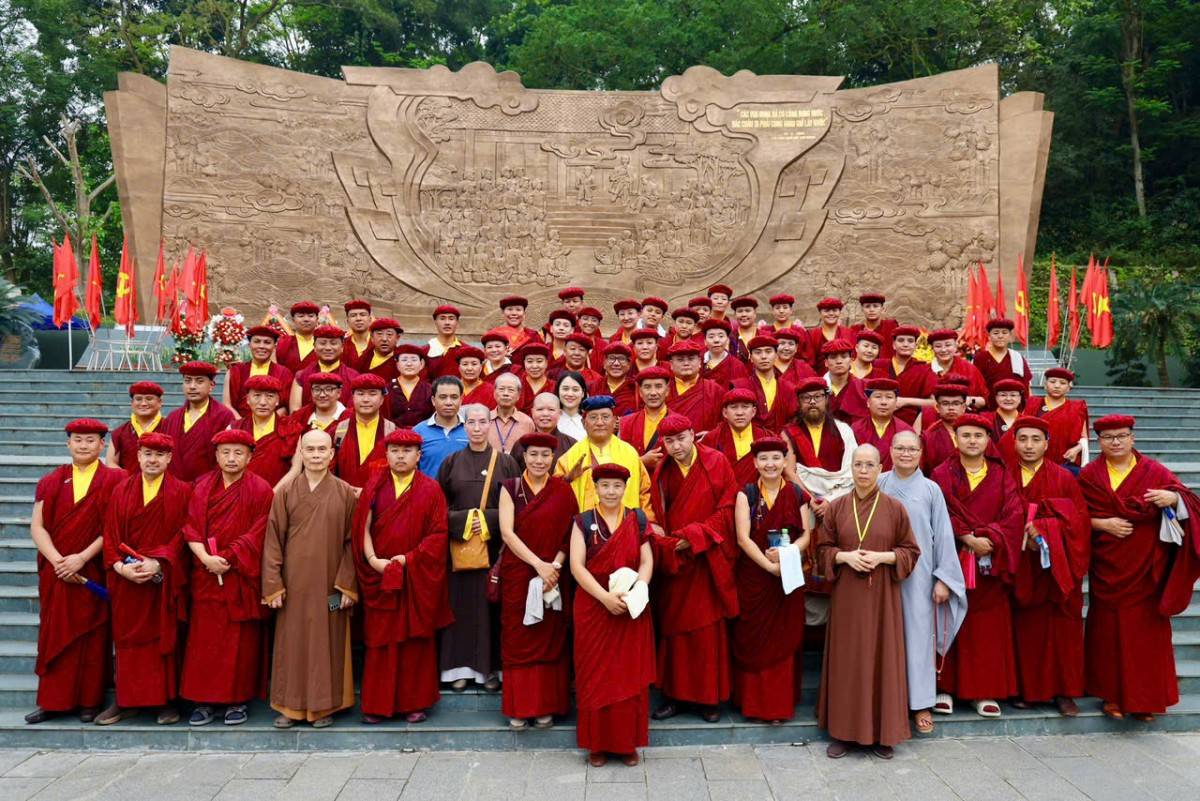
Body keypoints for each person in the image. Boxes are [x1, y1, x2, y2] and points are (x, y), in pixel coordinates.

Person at [1079, 414, 1200, 721]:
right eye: (1108, 437)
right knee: (1107, 631)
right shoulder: (1090, 475)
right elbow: (1075, 516)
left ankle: (1146, 698)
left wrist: (1172, 497)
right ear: (1098, 442)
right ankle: (1111, 696)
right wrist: (1101, 522)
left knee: (1145, 634)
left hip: (1147, 565)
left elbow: (1188, 500)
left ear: (1132, 438)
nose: (1116, 442)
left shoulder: (1154, 471)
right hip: (1107, 565)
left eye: (1121, 436)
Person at [816, 444, 920, 759]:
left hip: (882, 598)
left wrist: (884, 556)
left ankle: (882, 734)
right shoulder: (836, 507)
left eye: (869, 465)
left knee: (881, 659)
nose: (863, 471)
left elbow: (911, 551)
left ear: (879, 468)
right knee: (847, 662)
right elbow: (822, 552)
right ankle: (845, 733)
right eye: (858, 465)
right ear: (851, 467)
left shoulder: (894, 507)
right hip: (848, 596)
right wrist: (845, 556)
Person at [25, 419, 124, 725]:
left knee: (92, 637)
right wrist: (58, 560)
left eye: (90, 440)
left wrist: (81, 558)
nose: (84, 445)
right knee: (53, 634)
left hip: (91, 569)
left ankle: (88, 702)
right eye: (78, 440)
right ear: (68, 443)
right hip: (57, 573)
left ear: (102, 445)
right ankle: (52, 701)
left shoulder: (113, 480)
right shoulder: (51, 480)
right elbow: (37, 526)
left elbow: (114, 528)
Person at [352, 428, 452, 724]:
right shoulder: (374, 485)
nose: (400, 456)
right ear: (387, 455)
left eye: (407, 451)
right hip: (380, 575)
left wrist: (408, 560)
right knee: (380, 641)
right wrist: (373, 561)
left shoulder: (430, 489)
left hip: (414, 576)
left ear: (419, 456)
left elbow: (438, 534)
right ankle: (376, 704)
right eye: (394, 450)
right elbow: (361, 529)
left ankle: (414, 703)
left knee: (414, 642)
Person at [262, 429, 359, 728]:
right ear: (301, 454)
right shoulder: (287, 492)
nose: (316, 455)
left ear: (332, 454)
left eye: (322, 450)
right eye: (310, 450)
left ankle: (323, 706)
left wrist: (346, 584)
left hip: (331, 589)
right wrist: (273, 585)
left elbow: (350, 543)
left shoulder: (345, 492)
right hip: (293, 586)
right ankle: (289, 707)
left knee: (328, 641)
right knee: (292, 642)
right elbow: (273, 541)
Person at [929, 414, 1023, 718]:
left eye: (978, 435)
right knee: (948, 620)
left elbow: (1014, 514)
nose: (972, 441)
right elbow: (937, 511)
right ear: (956, 439)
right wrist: (966, 537)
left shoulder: (1001, 473)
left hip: (989, 562)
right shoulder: (942, 473)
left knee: (986, 627)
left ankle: (984, 690)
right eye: (966, 435)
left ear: (988, 440)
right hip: (951, 557)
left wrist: (989, 539)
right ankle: (944, 687)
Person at [648, 413, 739, 723]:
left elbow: (727, 510)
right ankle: (674, 697)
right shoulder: (663, 470)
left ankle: (708, 698)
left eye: (681, 438)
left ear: (692, 434)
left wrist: (694, 537)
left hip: (707, 558)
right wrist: (672, 543)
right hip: (676, 560)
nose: (676, 446)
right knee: (674, 630)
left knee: (707, 631)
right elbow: (658, 514)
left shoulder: (717, 462)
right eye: (669, 441)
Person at [96, 432, 192, 726]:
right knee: (127, 641)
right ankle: (126, 701)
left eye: (160, 455)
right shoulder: (121, 490)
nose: (153, 460)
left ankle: (165, 701)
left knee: (164, 638)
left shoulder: (182, 491)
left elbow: (184, 535)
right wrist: (119, 567)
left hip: (161, 579)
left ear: (169, 458)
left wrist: (159, 564)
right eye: (147, 454)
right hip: (127, 580)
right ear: (137, 456)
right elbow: (111, 534)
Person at [180, 429, 273, 727]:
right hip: (207, 573)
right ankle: (203, 700)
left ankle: (237, 700)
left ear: (249, 456)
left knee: (239, 643)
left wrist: (230, 557)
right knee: (204, 641)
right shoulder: (202, 485)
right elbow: (190, 528)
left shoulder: (261, 489)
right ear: (216, 455)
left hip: (240, 576)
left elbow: (260, 531)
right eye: (225, 452)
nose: (231, 458)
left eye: (238, 453)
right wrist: (206, 558)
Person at [879, 432, 967, 735]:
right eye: (900, 448)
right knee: (885, 637)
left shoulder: (931, 490)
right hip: (882, 573)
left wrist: (943, 578)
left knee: (918, 639)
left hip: (920, 574)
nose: (905, 454)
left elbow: (943, 535)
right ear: (889, 451)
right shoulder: (878, 483)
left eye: (912, 449)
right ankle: (887, 702)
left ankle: (920, 704)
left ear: (920, 453)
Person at [569, 463, 655, 767]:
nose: (610, 492)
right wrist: (604, 598)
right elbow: (576, 566)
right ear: (595, 488)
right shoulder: (582, 521)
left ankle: (626, 744)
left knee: (628, 674)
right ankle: (597, 744)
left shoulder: (637, 519)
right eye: (604, 485)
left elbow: (647, 561)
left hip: (630, 608)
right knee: (595, 675)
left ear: (625, 489)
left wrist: (638, 590)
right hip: (594, 606)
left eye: (617, 486)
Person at [1006, 416, 1090, 716]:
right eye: (1023, 439)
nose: (1029, 446)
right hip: (1021, 564)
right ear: (1014, 441)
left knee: (1062, 630)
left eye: (1035, 440)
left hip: (1057, 566)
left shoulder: (1064, 477)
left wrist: (1046, 530)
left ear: (1047, 444)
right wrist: (1020, 536)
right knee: (1027, 629)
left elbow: (1079, 522)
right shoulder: (1004, 475)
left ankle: (1065, 692)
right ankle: (1030, 690)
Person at [438, 404, 522, 691]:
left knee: (491, 608)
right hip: (461, 550)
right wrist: (466, 521)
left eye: (482, 422)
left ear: (490, 424)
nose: (476, 428)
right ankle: (459, 670)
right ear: (464, 424)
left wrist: (485, 521)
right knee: (460, 607)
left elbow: (517, 506)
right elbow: (440, 507)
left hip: (495, 547)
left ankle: (490, 669)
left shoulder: (507, 463)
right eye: (471, 422)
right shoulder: (451, 462)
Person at [497, 432, 579, 729]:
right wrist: (538, 565)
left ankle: (545, 706)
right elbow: (507, 533)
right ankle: (519, 707)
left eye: (545, 455)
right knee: (519, 639)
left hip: (554, 574)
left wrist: (554, 566)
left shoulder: (562, 490)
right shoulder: (510, 488)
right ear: (524, 456)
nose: (539, 461)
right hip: (519, 572)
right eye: (533, 454)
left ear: (553, 458)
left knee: (549, 639)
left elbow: (571, 533)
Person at [731, 437, 812, 724]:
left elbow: (806, 536)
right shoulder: (747, 494)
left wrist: (788, 554)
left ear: (785, 462)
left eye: (776, 458)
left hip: (787, 575)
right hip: (755, 575)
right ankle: (754, 705)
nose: (770, 464)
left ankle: (778, 707)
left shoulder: (797, 494)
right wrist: (767, 565)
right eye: (764, 459)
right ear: (754, 463)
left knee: (783, 637)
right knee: (754, 638)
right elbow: (742, 538)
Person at [555, 395, 651, 512]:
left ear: (615, 420)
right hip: (585, 525)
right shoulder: (571, 456)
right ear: (583, 422)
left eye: (605, 417)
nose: (600, 422)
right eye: (593, 417)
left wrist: (648, 521)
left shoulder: (629, 453)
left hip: (627, 523)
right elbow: (554, 495)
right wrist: (567, 479)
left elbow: (644, 492)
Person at [160, 361, 236, 482]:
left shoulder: (223, 416)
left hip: (207, 488)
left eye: (199, 381)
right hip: (174, 488)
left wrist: (204, 485)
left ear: (211, 385)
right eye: (188, 381)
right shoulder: (172, 418)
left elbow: (227, 456)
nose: (192, 386)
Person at [232, 375, 300, 487]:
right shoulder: (235, 428)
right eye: (257, 396)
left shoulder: (291, 428)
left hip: (278, 495)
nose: (263, 402)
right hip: (240, 495)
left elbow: (296, 469)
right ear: (248, 399)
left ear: (277, 400)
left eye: (269, 396)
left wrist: (271, 495)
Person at [330, 373, 395, 488]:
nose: (365, 399)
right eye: (360, 394)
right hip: (344, 498)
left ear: (382, 399)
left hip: (379, 502)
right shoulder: (338, 432)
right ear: (353, 397)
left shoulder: (392, 433)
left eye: (372, 394)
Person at [704, 388, 774, 485]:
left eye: (745, 407)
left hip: (758, 494)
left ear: (753, 412)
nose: (739, 413)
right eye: (734, 407)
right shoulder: (712, 438)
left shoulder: (767, 437)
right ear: (725, 413)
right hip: (723, 496)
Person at [1025, 367, 1090, 468]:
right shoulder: (1033, 404)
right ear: (1045, 385)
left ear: (1069, 388)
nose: (1057, 386)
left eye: (1062, 383)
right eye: (1052, 381)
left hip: (1065, 462)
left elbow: (1083, 438)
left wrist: (1076, 449)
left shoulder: (1077, 408)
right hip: (1034, 460)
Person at [223, 325, 292, 417]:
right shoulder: (235, 371)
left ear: (274, 346)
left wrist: (267, 424)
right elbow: (227, 404)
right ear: (249, 345)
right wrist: (241, 424)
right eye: (257, 341)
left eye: (267, 342)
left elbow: (285, 407)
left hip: (273, 425)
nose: (261, 346)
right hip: (240, 424)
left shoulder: (284, 373)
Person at [732, 335, 795, 433]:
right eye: (758, 352)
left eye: (768, 351)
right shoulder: (740, 386)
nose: (764, 356)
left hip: (782, 443)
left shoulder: (789, 388)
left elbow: (794, 421)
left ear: (776, 355)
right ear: (751, 358)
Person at [289, 325, 358, 410]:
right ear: (314, 347)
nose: (328, 348)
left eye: (333, 343)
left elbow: (353, 413)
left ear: (342, 348)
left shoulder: (353, 377)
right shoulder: (301, 376)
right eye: (322, 343)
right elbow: (295, 412)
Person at [850, 378, 913, 471]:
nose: (883, 402)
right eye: (878, 396)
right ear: (868, 402)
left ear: (896, 403)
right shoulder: (855, 429)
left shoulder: (906, 431)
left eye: (889, 397)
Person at [665, 340, 725, 433]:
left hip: (706, 444)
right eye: (680, 359)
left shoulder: (714, 390)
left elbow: (726, 422)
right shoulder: (663, 390)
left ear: (700, 362)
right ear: (671, 365)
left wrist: (713, 434)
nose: (686, 363)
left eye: (691, 359)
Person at [415, 376, 468, 476]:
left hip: (463, 491)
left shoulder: (471, 430)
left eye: (454, 397)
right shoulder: (418, 432)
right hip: (429, 490)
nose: (448, 402)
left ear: (461, 400)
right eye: (443, 397)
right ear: (433, 400)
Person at [619, 365, 672, 466]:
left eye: (658, 386)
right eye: (647, 387)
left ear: (667, 391)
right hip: (634, 480)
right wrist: (641, 461)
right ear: (640, 392)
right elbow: (619, 461)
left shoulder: (678, 421)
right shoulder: (626, 422)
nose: (653, 393)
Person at [884, 326, 936, 426]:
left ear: (915, 346)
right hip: (880, 419)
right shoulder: (880, 365)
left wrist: (905, 401)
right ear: (894, 345)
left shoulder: (924, 370)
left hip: (912, 424)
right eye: (901, 340)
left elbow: (934, 403)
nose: (905, 344)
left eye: (910, 341)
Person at [107, 381, 164, 472]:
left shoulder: (171, 427)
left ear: (160, 402)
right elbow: (110, 462)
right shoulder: (120, 432)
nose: (143, 403)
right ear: (132, 403)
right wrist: (129, 481)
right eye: (138, 399)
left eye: (149, 399)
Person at [927, 329, 987, 412]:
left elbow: (984, 400)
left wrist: (969, 400)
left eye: (948, 345)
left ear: (956, 346)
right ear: (932, 348)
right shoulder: (925, 371)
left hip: (965, 419)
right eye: (938, 346)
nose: (943, 350)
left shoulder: (969, 369)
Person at [920, 377, 971, 475]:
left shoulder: (977, 431)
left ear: (964, 407)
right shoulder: (928, 436)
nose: (951, 408)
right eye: (945, 403)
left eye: (956, 403)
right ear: (937, 407)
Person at [512, 393, 576, 468]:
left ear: (560, 413)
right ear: (532, 412)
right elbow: (513, 474)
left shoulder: (571, 444)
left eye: (551, 409)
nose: (545, 414)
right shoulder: (521, 444)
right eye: (540, 409)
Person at [973, 318, 1032, 392]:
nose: (1000, 336)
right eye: (996, 333)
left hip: (1013, 402)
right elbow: (975, 384)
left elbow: (1026, 385)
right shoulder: (980, 358)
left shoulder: (1017, 357)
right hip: (988, 402)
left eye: (1004, 333)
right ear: (989, 336)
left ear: (1010, 336)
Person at [821, 339, 869, 425]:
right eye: (833, 357)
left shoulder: (863, 387)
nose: (839, 361)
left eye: (844, 357)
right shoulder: (817, 388)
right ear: (826, 363)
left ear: (851, 361)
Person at [388, 343, 434, 427]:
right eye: (404, 360)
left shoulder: (430, 389)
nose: (409, 364)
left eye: (414, 360)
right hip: (393, 435)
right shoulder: (387, 389)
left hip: (422, 436)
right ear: (397, 365)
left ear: (421, 364)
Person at [489, 372, 535, 453]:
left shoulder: (527, 422)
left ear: (518, 395)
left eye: (511, 390)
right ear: (494, 393)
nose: (505, 393)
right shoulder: (485, 419)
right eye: (501, 389)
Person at [807, 297, 854, 371]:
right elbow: (810, 363)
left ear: (840, 312)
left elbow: (853, 359)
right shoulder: (812, 335)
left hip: (844, 378)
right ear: (820, 313)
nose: (831, 313)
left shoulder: (849, 333)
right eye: (826, 311)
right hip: (819, 378)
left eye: (835, 310)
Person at [701, 318, 750, 388]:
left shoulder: (737, 366)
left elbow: (743, 392)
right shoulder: (698, 363)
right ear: (705, 341)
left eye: (721, 336)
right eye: (711, 337)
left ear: (727, 340)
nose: (716, 340)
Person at [275, 300, 320, 372]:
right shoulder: (283, 342)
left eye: (311, 316)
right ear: (293, 320)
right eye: (301, 316)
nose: (306, 319)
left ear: (317, 319)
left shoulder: (324, 343)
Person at [851, 292, 898, 360]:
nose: (871, 310)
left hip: (887, 368)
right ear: (862, 309)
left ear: (882, 309)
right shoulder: (855, 330)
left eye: (875, 306)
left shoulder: (891, 326)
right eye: (867, 306)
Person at [426, 304, 465, 379]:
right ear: (435, 322)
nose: (447, 322)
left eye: (451, 319)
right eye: (442, 318)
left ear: (457, 322)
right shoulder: (425, 351)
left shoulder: (466, 350)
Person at [361, 317, 403, 384]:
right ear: (372, 337)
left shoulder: (402, 361)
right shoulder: (363, 358)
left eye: (389, 334)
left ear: (397, 338)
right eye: (379, 334)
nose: (384, 339)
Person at [517, 342, 553, 413]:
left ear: (546, 363)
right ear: (524, 363)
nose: (534, 366)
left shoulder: (554, 386)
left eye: (539, 361)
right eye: (530, 361)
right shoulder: (516, 385)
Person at [341, 298, 373, 370]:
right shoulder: (341, 345)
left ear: (370, 319)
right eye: (353, 315)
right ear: (347, 321)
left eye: (362, 315)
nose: (358, 318)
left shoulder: (378, 344)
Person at [556, 371, 587, 441]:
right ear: (558, 391)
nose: (570, 394)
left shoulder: (589, 420)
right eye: (565, 389)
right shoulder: (551, 419)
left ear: (583, 393)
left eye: (575, 390)